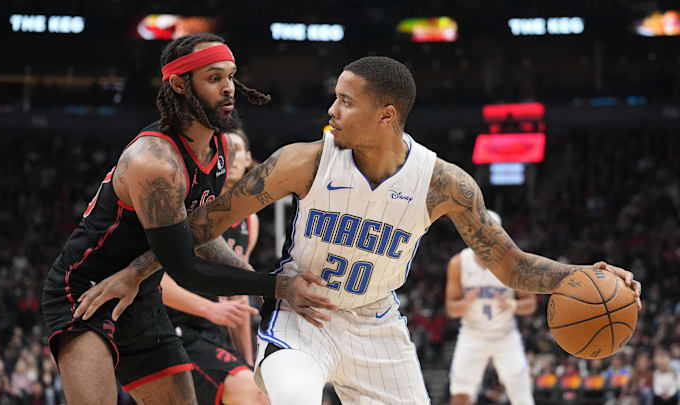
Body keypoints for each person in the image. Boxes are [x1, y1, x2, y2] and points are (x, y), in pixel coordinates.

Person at [76, 55, 642, 404]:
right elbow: (203, 224)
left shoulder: (444, 184)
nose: (332, 111)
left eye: (346, 102)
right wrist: (135, 270)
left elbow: (510, 263)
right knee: (295, 396)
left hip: (378, 331)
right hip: (305, 317)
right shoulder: (305, 160)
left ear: (386, 116)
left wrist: (580, 276)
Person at [41, 33, 335, 405]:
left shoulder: (224, 148)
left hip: (142, 296)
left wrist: (259, 278)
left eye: (231, 76)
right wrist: (274, 286)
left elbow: (197, 231)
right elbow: (184, 265)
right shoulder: (155, 163)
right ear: (180, 84)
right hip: (86, 291)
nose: (229, 89)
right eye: (214, 78)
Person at [160, 128, 268, 405]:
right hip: (173, 326)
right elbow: (154, 281)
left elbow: (237, 293)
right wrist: (212, 309)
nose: (231, 156)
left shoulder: (249, 222)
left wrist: (247, 359)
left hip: (214, 331)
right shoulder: (191, 204)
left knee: (260, 391)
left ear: (248, 159)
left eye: (237, 150)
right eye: (224, 150)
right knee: (254, 396)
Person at [445, 210, 536, 405]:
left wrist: (511, 304)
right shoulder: (458, 263)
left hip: (505, 335)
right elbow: (451, 309)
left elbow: (530, 304)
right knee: (460, 394)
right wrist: (465, 303)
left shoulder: (514, 263)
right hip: (473, 333)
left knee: (522, 397)